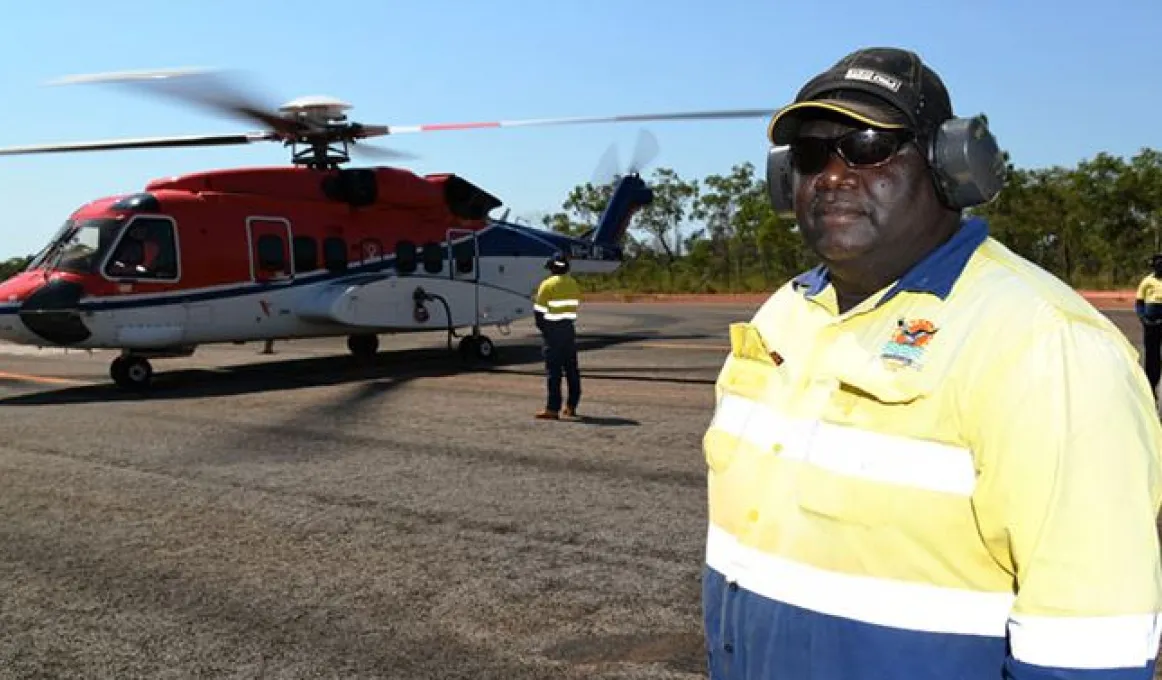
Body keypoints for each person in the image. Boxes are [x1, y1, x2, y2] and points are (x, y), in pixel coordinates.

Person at [701, 46, 1162, 680]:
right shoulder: (784, 314)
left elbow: (1086, 645)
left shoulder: (1045, 345)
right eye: (811, 155)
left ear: (951, 166)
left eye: (867, 146)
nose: (834, 176)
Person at [533, 251, 582, 419]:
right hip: (568, 330)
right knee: (571, 370)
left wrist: (546, 331)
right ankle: (571, 406)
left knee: (554, 372)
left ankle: (552, 409)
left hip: (553, 333)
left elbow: (539, 313)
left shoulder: (547, 284)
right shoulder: (573, 283)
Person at [1136, 254, 1162, 397]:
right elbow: (1139, 303)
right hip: (1151, 324)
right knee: (1152, 356)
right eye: (1157, 264)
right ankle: (1151, 387)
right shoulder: (1147, 281)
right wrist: (1143, 318)